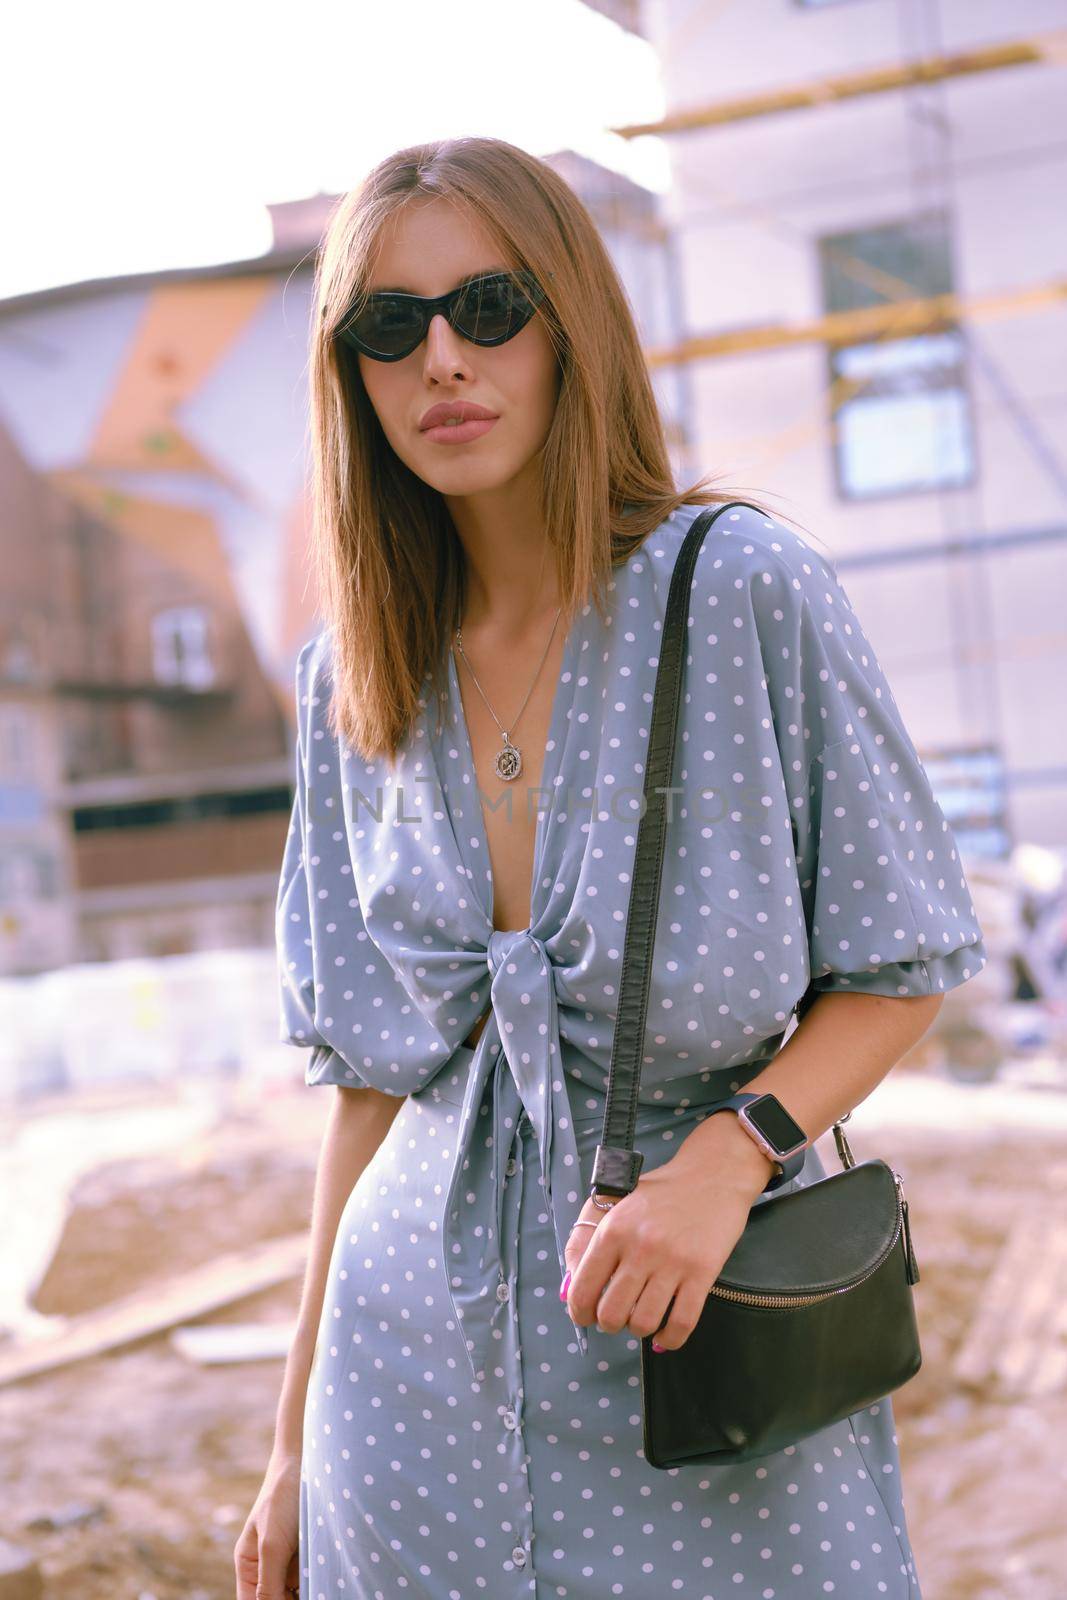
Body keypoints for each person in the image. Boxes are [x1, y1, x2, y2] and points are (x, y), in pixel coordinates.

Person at [235, 136, 987, 1600]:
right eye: (390, 327)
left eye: (487, 307)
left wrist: (727, 1160)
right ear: (353, 377)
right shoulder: (355, 685)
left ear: (570, 320)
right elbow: (369, 1096)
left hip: (707, 1355)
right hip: (408, 1401)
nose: (441, 358)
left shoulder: (741, 595)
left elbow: (904, 970)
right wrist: (285, 1448)